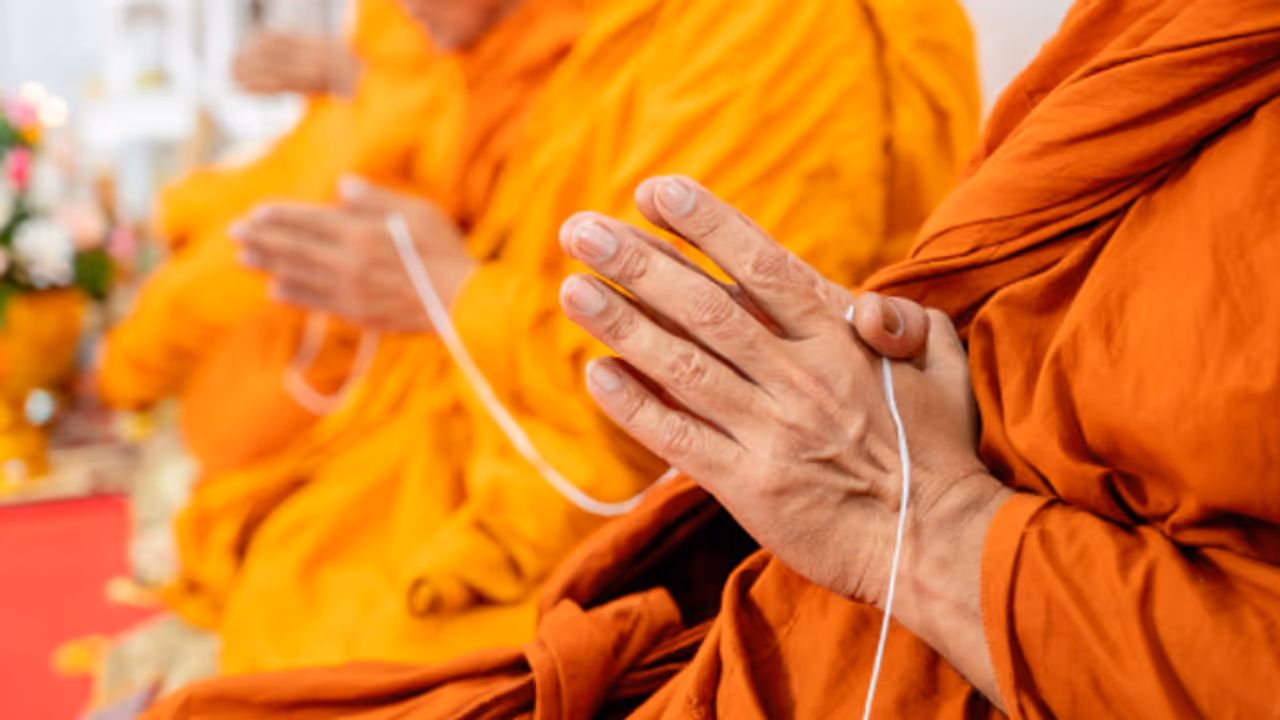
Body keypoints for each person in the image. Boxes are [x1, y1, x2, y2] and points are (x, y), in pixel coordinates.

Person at [143, 0, 1280, 717]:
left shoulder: (774, 30)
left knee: (306, 652)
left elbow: (677, 400)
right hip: (565, 455)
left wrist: (926, 521)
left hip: (799, 532)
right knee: (283, 578)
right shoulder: (568, 44)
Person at [150, 0, 980, 678]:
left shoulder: (772, 29)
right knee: (283, 543)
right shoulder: (597, 31)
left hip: (661, 492)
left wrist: (453, 291)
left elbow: (711, 386)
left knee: (320, 634)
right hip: (511, 401)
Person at [97, 0, 439, 415]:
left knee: (183, 298)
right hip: (331, 138)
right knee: (180, 207)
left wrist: (353, 73)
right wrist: (334, 69)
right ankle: (118, 376)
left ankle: (116, 382)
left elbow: (435, 94)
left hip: (376, 161)